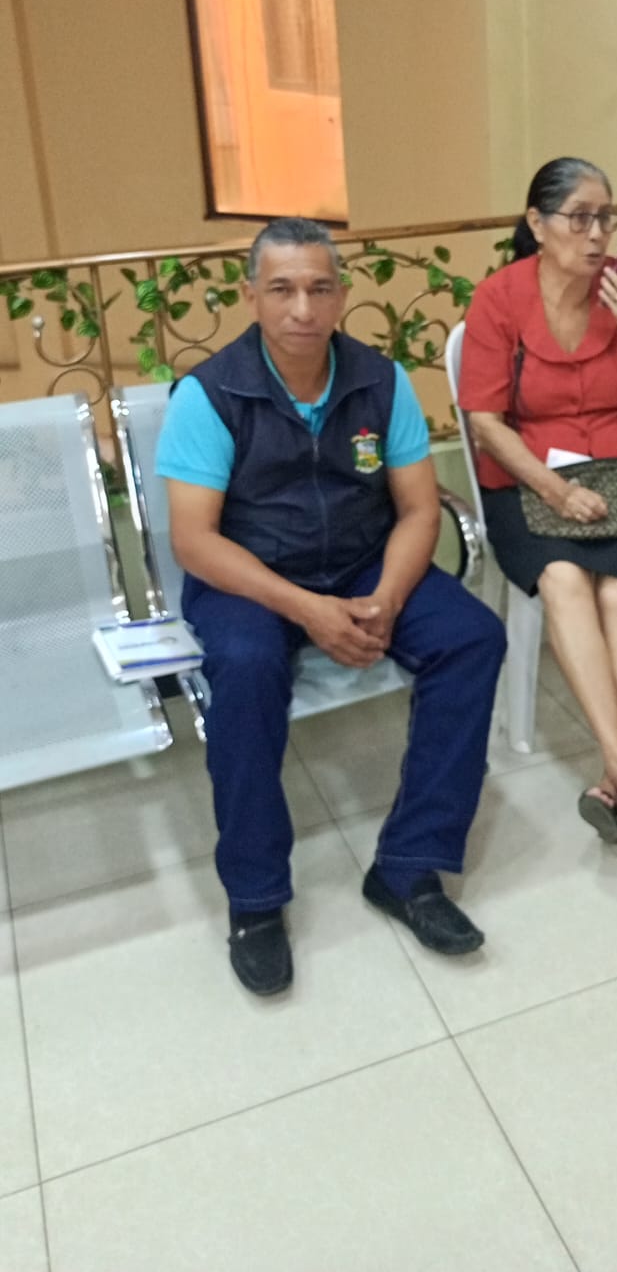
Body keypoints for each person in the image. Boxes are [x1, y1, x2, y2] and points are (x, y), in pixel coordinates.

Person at [156, 217, 506, 995]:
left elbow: (417, 509)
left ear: (341, 294)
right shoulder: (209, 395)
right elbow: (194, 540)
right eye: (281, 288)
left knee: (472, 637)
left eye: (319, 288)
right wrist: (308, 609)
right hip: (249, 574)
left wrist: (384, 598)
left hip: (360, 559)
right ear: (250, 295)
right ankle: (255, 899)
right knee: (245, 669)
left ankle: (408, 866)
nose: (302, 308)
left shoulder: (380, 382)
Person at [458, 157, 617, 844]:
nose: (596, 234)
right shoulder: (498, 298)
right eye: (579, 217)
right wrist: (556, 489)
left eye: (604, 218)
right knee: (561, 576)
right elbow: (485, 421)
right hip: (529, 478)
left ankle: (616, 775)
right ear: (537, 222)